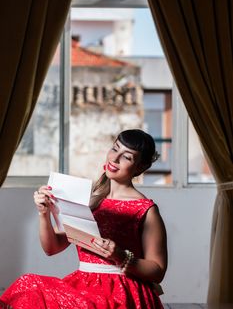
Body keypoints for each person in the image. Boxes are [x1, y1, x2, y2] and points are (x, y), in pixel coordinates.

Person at [0, 129, 167, 309]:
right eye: (115, 148)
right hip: (84, 283)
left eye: (126, 157)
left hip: (122, 290)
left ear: (140, 167)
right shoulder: (90, 201)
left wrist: (121, 256)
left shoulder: (146, 210)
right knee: (29, 285)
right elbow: (52, 248)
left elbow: (157, 271)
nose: (115, 158)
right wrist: (44, 213)